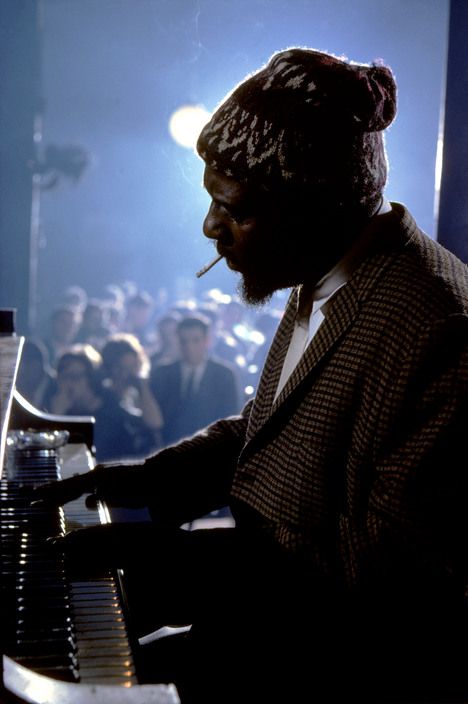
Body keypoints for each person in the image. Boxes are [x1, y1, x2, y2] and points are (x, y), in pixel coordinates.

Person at [33, 48, 468, 703]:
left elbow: (388, 585)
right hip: (258, 634)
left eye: (234, 208)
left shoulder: (441, 329)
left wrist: (176, 564)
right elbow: (273, 428)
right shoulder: (323, 269)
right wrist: (138, 483)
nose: (212, 227)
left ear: (311, 206)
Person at [149, 313, 241, 446]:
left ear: (207, 341)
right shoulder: (162, 373)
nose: (189, 347)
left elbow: (230, 418)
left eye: (195, 340)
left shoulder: (224, 375)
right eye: (184, 341)